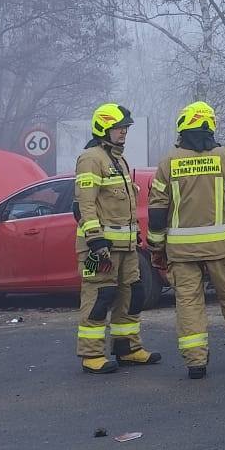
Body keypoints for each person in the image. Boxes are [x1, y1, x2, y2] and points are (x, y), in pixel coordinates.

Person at [147, 100, 225, 378]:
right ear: (210, 126)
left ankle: (196, 364)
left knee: (189, 304)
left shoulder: (168, 162)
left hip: (181, 252)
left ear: (183, 127)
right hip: (220, 248)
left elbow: (157, 210)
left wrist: (156, 246)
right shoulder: (224, 158)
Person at [74, 102, 157, 376]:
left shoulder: (118, 159)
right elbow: (85, 204)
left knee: (133, 295)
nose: (124, 132)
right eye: (119, 128)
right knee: (100, 297)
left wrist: (136, 236)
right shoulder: (91, 158)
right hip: (100, 248)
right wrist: (96, 240)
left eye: (125, 128)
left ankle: (128, 348)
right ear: (103, 128)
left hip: (126, 246)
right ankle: (91, 355)